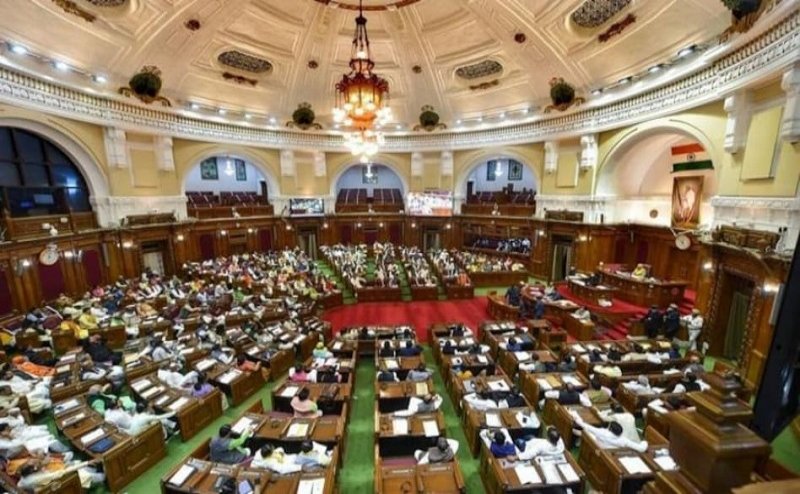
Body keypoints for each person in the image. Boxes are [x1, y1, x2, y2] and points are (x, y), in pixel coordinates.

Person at [574, 416, 648, 452]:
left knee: (586, 431)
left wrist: (578, 420)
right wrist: (644, 442)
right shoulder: (624, 440)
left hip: (600, 446)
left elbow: (587, 427)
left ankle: (577, 441)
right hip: (610, 451)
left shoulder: (602, 432)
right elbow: (641, 448)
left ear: (610, 428)